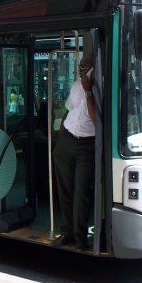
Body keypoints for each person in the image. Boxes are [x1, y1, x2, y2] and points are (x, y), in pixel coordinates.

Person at [52, 54, 96, 251]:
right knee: (65, 190)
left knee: (81, 193)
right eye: (80, 66)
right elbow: (69, 109)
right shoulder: (77, 84)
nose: (81, 69)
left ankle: (81, 237)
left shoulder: (97, 86)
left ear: (94, 67)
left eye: (85, 66)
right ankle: (68, 232)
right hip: (67, 140)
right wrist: (60, 133)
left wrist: (88, 92)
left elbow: (96, 120)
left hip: (87, 145)